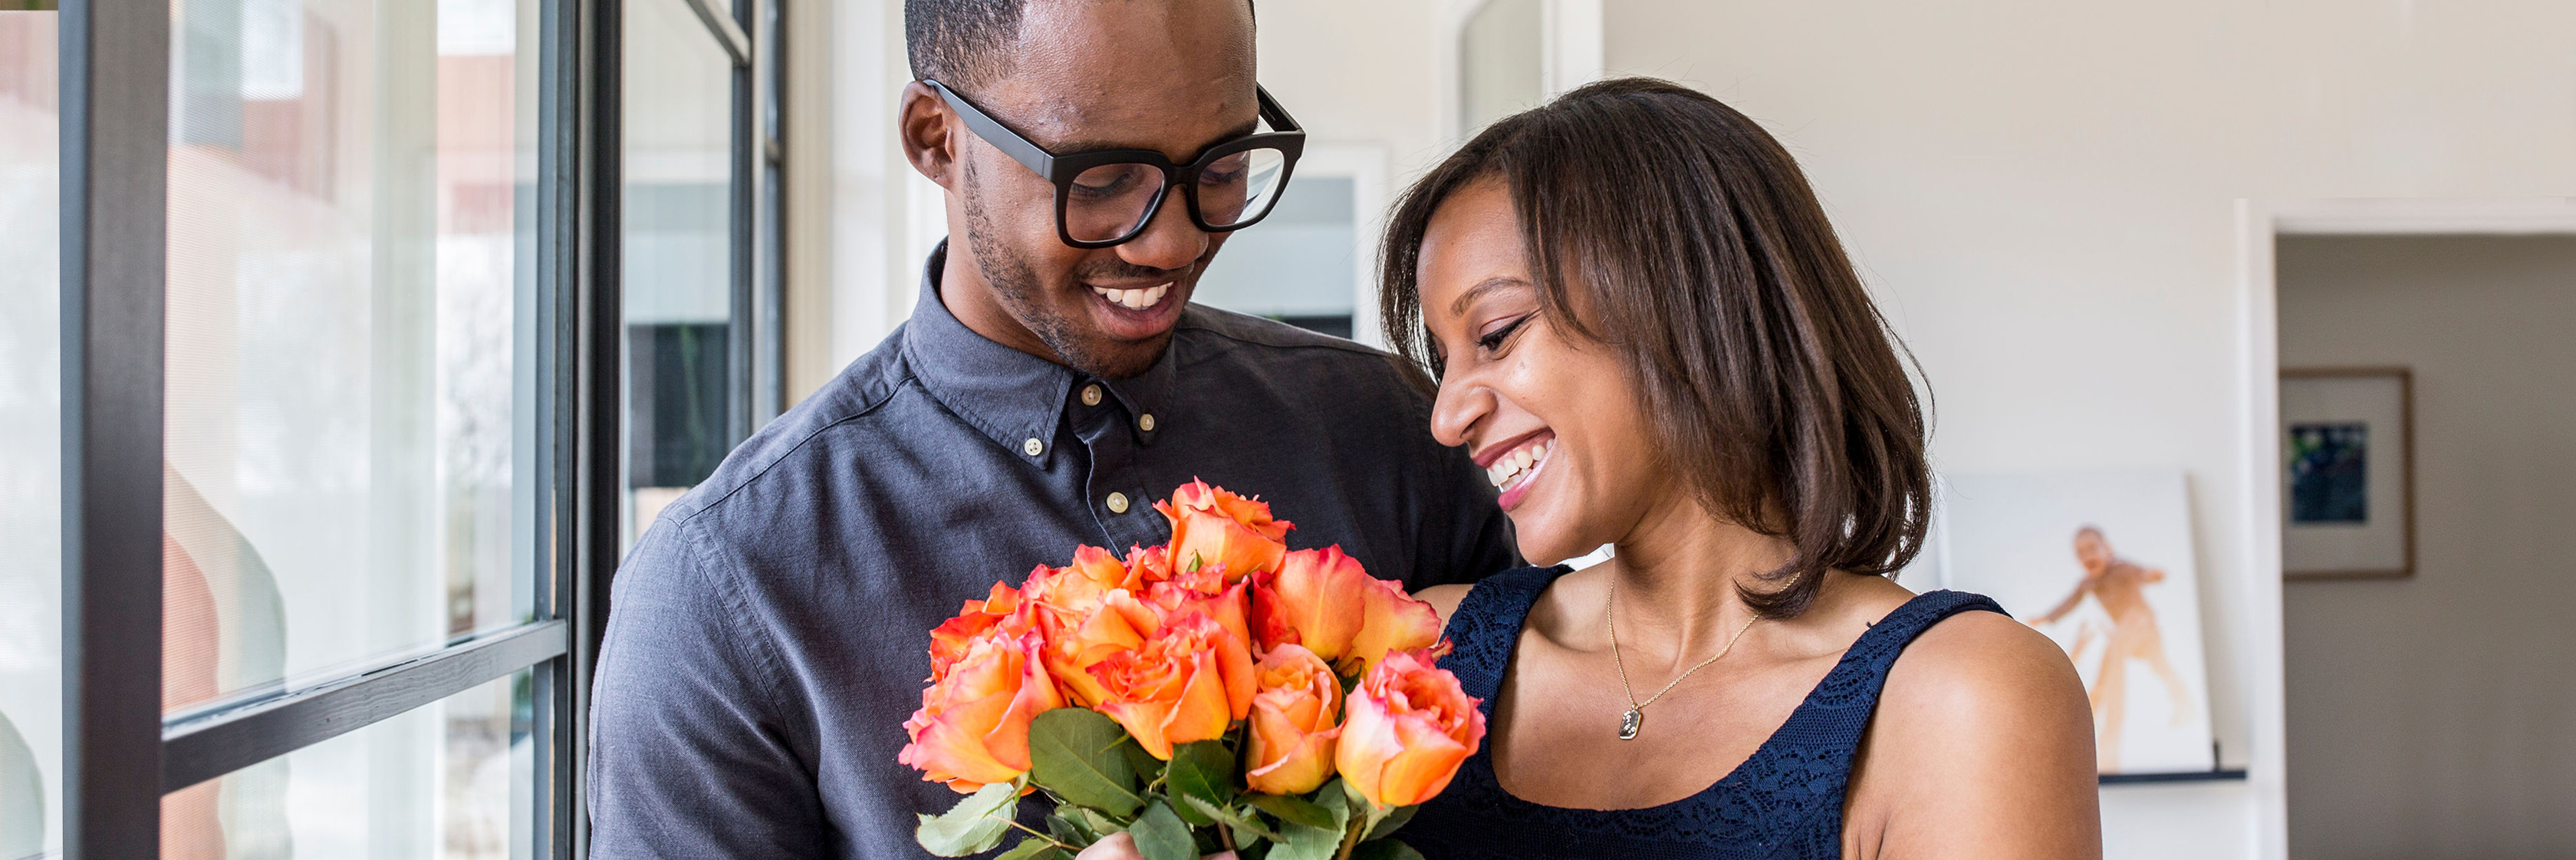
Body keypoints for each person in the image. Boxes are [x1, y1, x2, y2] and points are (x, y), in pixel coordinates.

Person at [583, 1, 1518, 856]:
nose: (1172, 242)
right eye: (1105, 179)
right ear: (935, 138)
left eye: (1222, 167)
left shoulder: (1391, 433)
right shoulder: (725, 589)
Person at [1380, 78, 2102, 858]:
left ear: (1679, 299)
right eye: (1442, 359)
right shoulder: (1430, 656)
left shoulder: (1961, 699)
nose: (1446, 416)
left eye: (1495, 333)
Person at [2031, 526, 2195, 773]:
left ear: (2108, 550)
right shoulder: (2088, 584)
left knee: (2160, 667)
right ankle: (2094, 712)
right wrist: (2047, 617)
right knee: (2110, 663)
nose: (2087, 556)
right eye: (2080, 553)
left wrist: (2153, 576)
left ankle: (2184, 703)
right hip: (2123, 637)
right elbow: (2070, 602)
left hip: (2144, 628)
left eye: (2092, 549)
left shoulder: (2121, 569)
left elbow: (2142, 574)